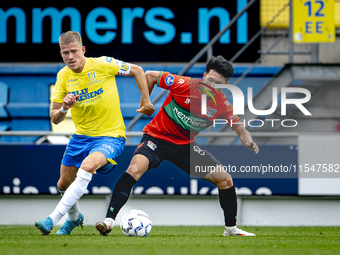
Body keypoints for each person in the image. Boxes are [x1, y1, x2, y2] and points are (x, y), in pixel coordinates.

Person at [95, 55, 259, 237]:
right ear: (204, 75)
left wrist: (247, 139)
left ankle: (231, 229)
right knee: (134, 169)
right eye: (209, 80)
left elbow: (239, 127)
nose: (211, 86)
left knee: (225, 179)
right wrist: (146, 102)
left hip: (185, 147)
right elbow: (149, 75)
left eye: (218, 84)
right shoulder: (184, 84)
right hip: (157, 138)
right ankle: (109, 221)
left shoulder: (222, 104)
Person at [34, 31, 155, 235]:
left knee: (87, 165)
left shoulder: (103, 64)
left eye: (74, 51)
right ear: (61, 54)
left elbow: (137, 70)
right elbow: (54, 117)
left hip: (111, 135)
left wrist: (146, 101)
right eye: (65, 53)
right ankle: (74, 218)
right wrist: (64, 108)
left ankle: (52, 219)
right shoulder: (63, 76)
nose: (70, 57)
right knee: (63, 182)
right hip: (80, 137)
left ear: (83, 50)